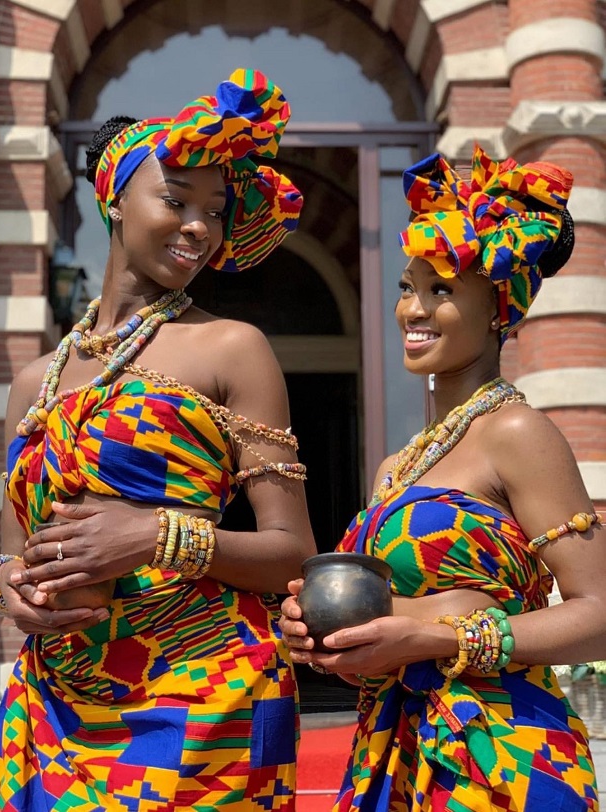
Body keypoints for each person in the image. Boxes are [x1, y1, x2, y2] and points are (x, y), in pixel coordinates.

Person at [0, 68, 316, 812]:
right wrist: (9, 591)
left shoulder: (233, 349)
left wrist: (158, 535)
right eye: (176, 199)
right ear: (114, 198)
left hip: (204, 707)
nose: (199, 226)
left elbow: (293, 554)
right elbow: (10, 553)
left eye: (216, 211)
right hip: (53, 708)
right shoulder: (34, 381)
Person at [280, 146, 605, 811]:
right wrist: (316, 634)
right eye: (407, 287)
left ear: (498, 308)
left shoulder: (519, 433)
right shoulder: (395, 469)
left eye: (442, 290)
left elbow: (600, 614)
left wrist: (439, 638)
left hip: (500, 755)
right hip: (393, 752)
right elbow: (388, 618)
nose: (413, 310)